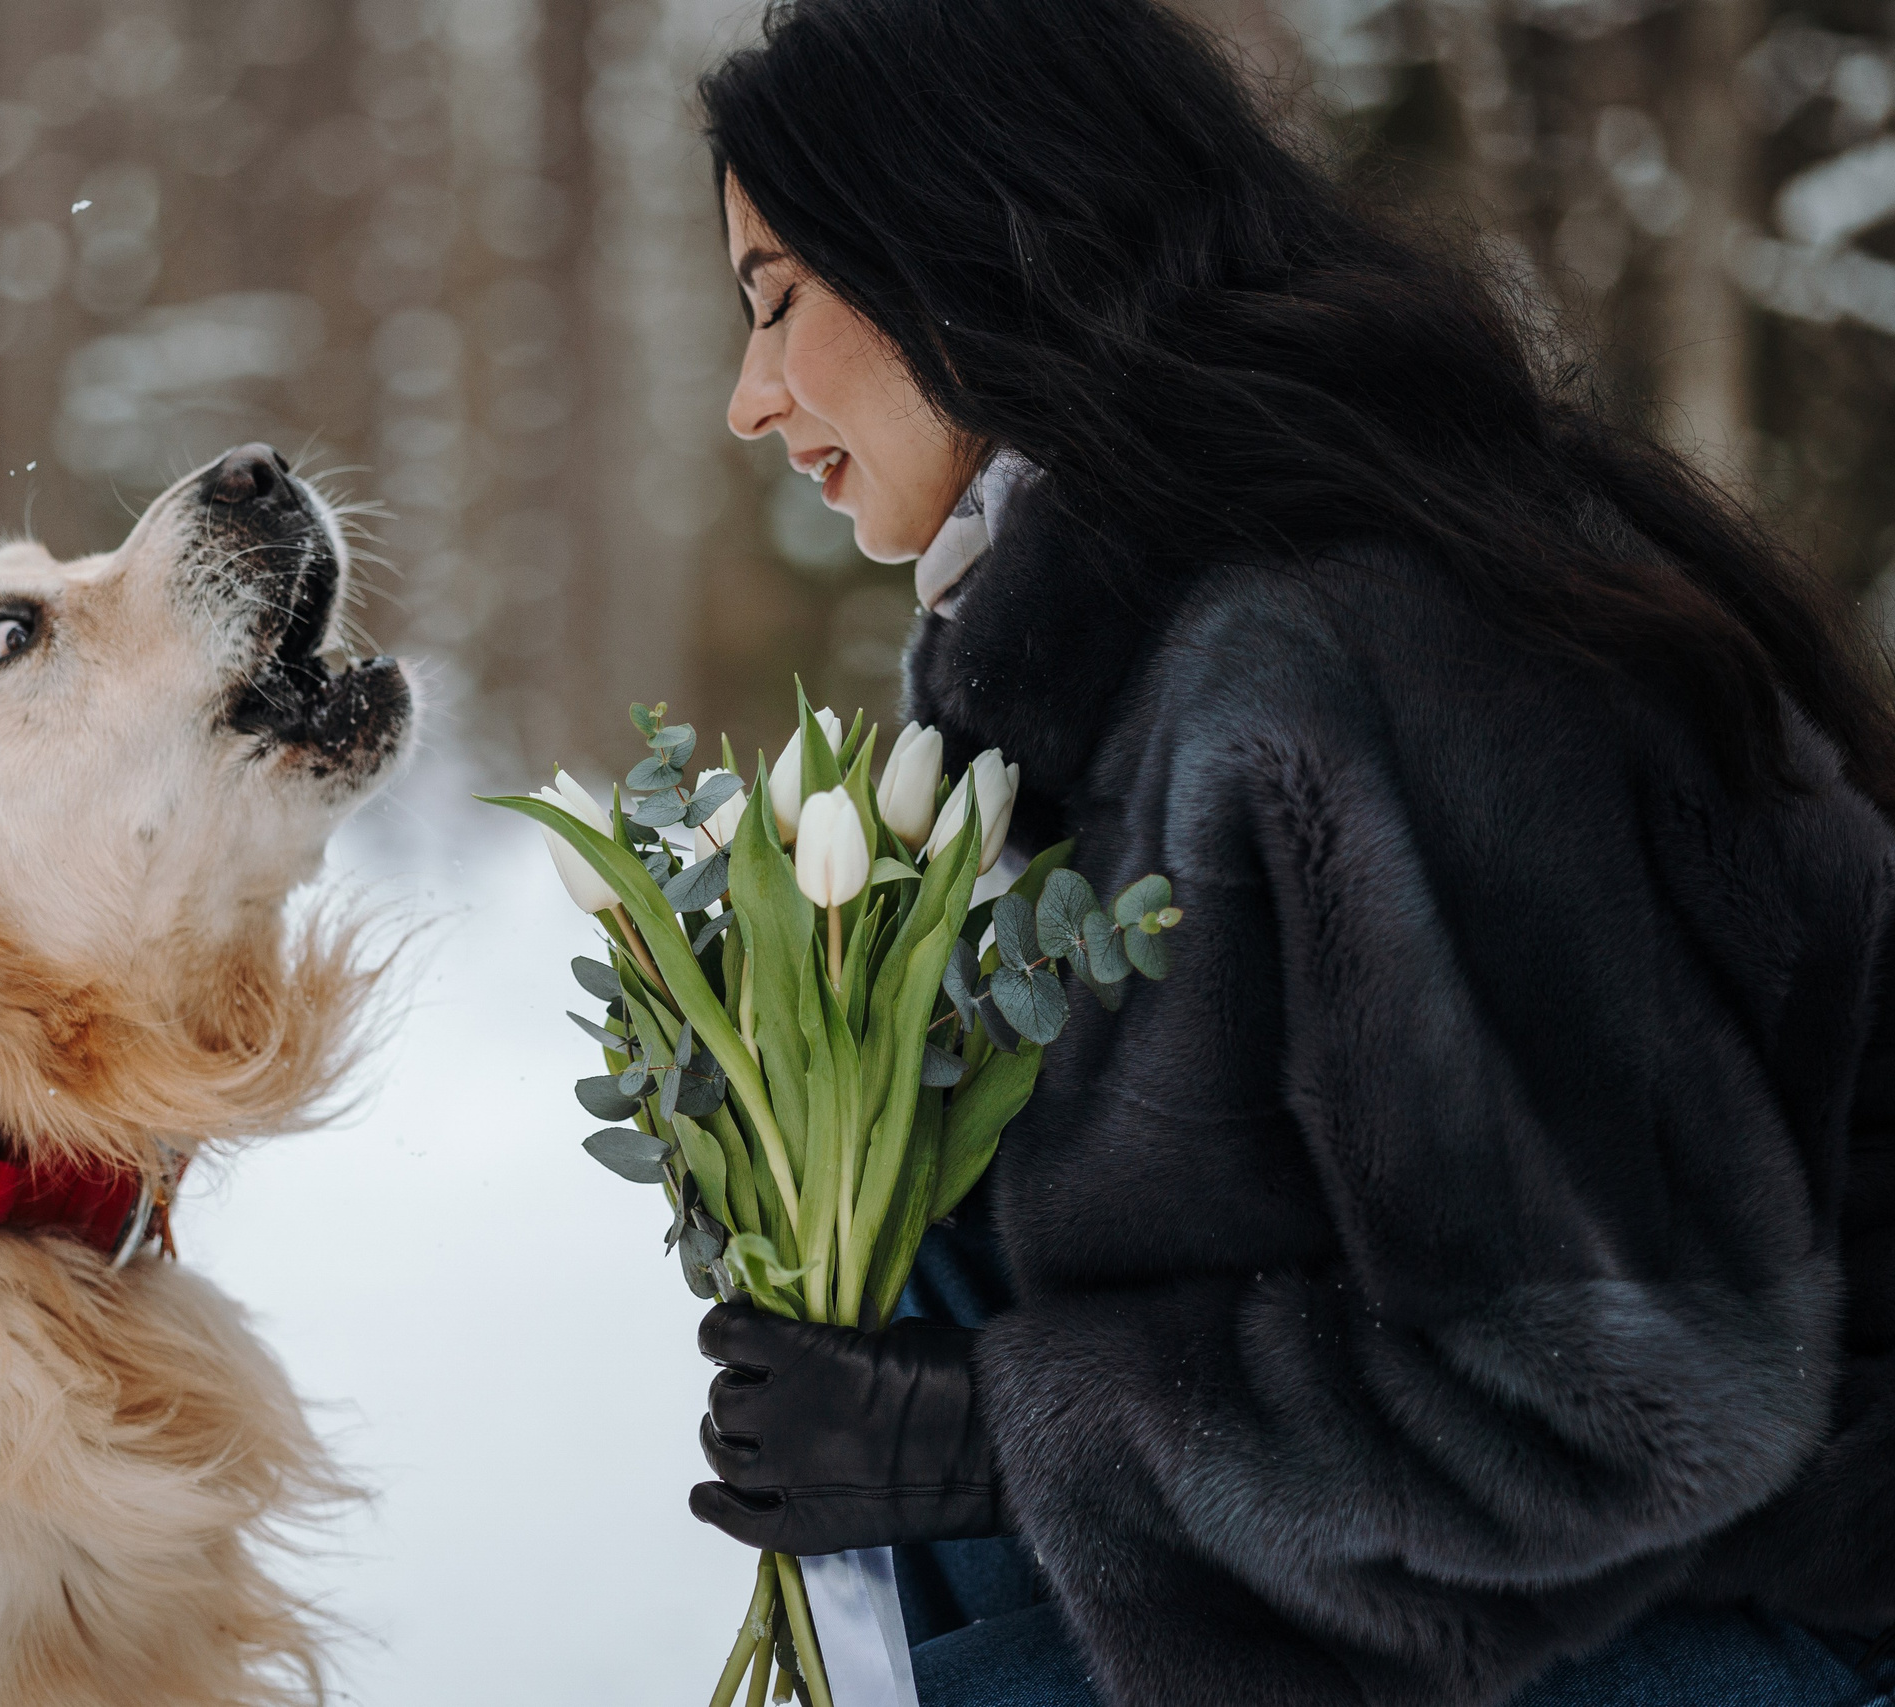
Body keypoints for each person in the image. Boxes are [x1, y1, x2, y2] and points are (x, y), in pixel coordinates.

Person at [685, 1, 1895, 1703]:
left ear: (969, 234)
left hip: (1732, 1638)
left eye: (779, 299)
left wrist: (981, 1435)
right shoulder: (1126, 661)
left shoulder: (1373, 643)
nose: (750, 398)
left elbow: (1620, 1401)